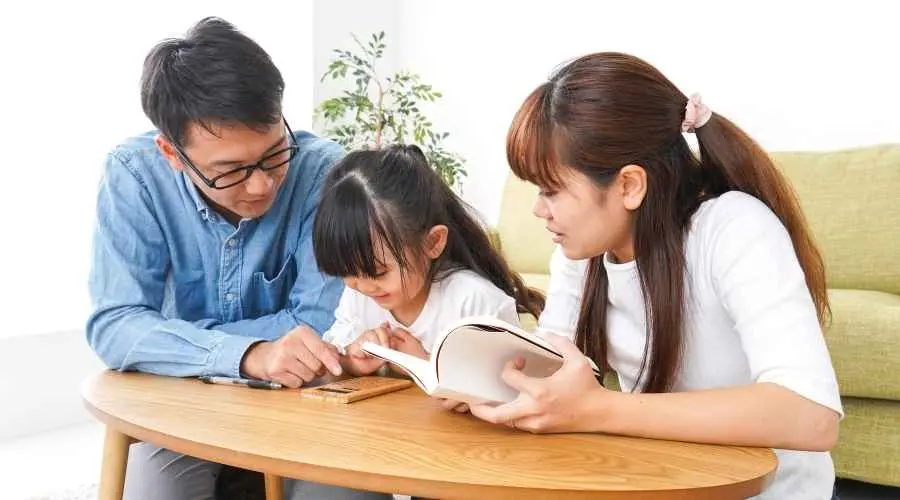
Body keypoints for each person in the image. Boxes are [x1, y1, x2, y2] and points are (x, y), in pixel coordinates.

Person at [463, 52, 843, 499]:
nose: (538, 209)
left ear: (629, 185)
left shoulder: (733, 228)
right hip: (662, 482)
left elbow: (811, 414)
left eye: (552, 189)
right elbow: (552, 360)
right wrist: (479, 377)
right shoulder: (582, 251)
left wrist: (600, 409)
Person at [86, 16, 389, 500]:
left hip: (305, 396)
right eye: (230, 171)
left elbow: (320, 326)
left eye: (274, 154)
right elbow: (116, 325)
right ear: (171, 152)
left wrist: (176, 340)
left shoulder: (324, 173)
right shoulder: (135, 174)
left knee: (346, 492)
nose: (262, 184)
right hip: (185, 397)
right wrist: (250, 356)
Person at [311, 145, 544, 377]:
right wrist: (352, 359)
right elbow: (336, 352)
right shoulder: (360, 295)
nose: (363, 286)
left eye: (379, 272)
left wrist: (425, 364)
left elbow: (512, 385)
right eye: (348, 273)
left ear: (432, 243)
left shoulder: (473, 302)